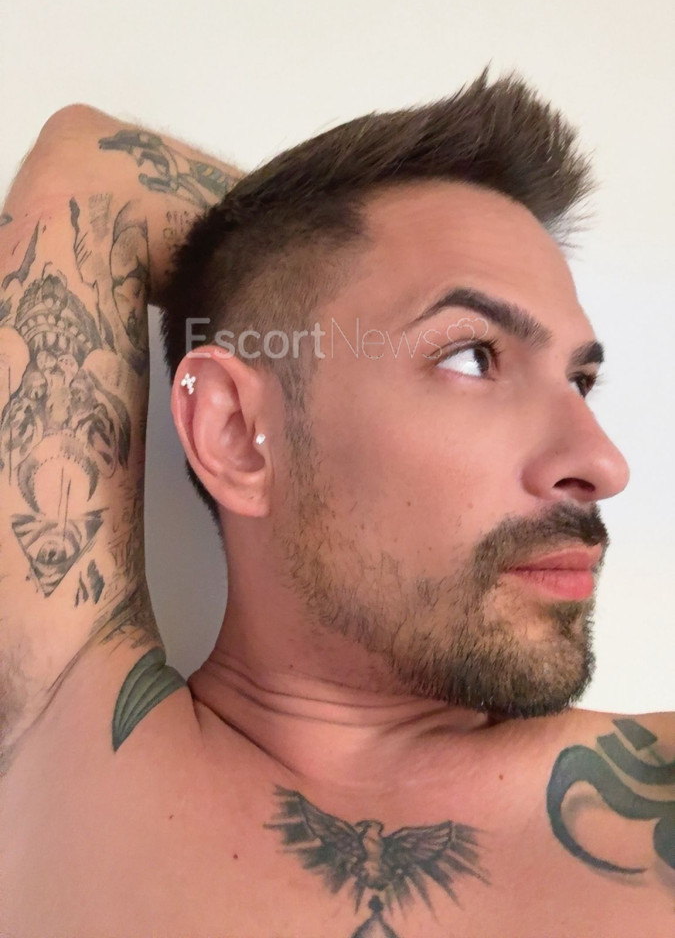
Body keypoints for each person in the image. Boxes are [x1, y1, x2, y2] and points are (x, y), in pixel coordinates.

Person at [0, 72, 672, 938]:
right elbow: (88, 172)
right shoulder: (61, 734)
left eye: (579, 380)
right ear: (237, 434)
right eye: (471, 356)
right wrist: (280, 267)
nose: (601, 464)